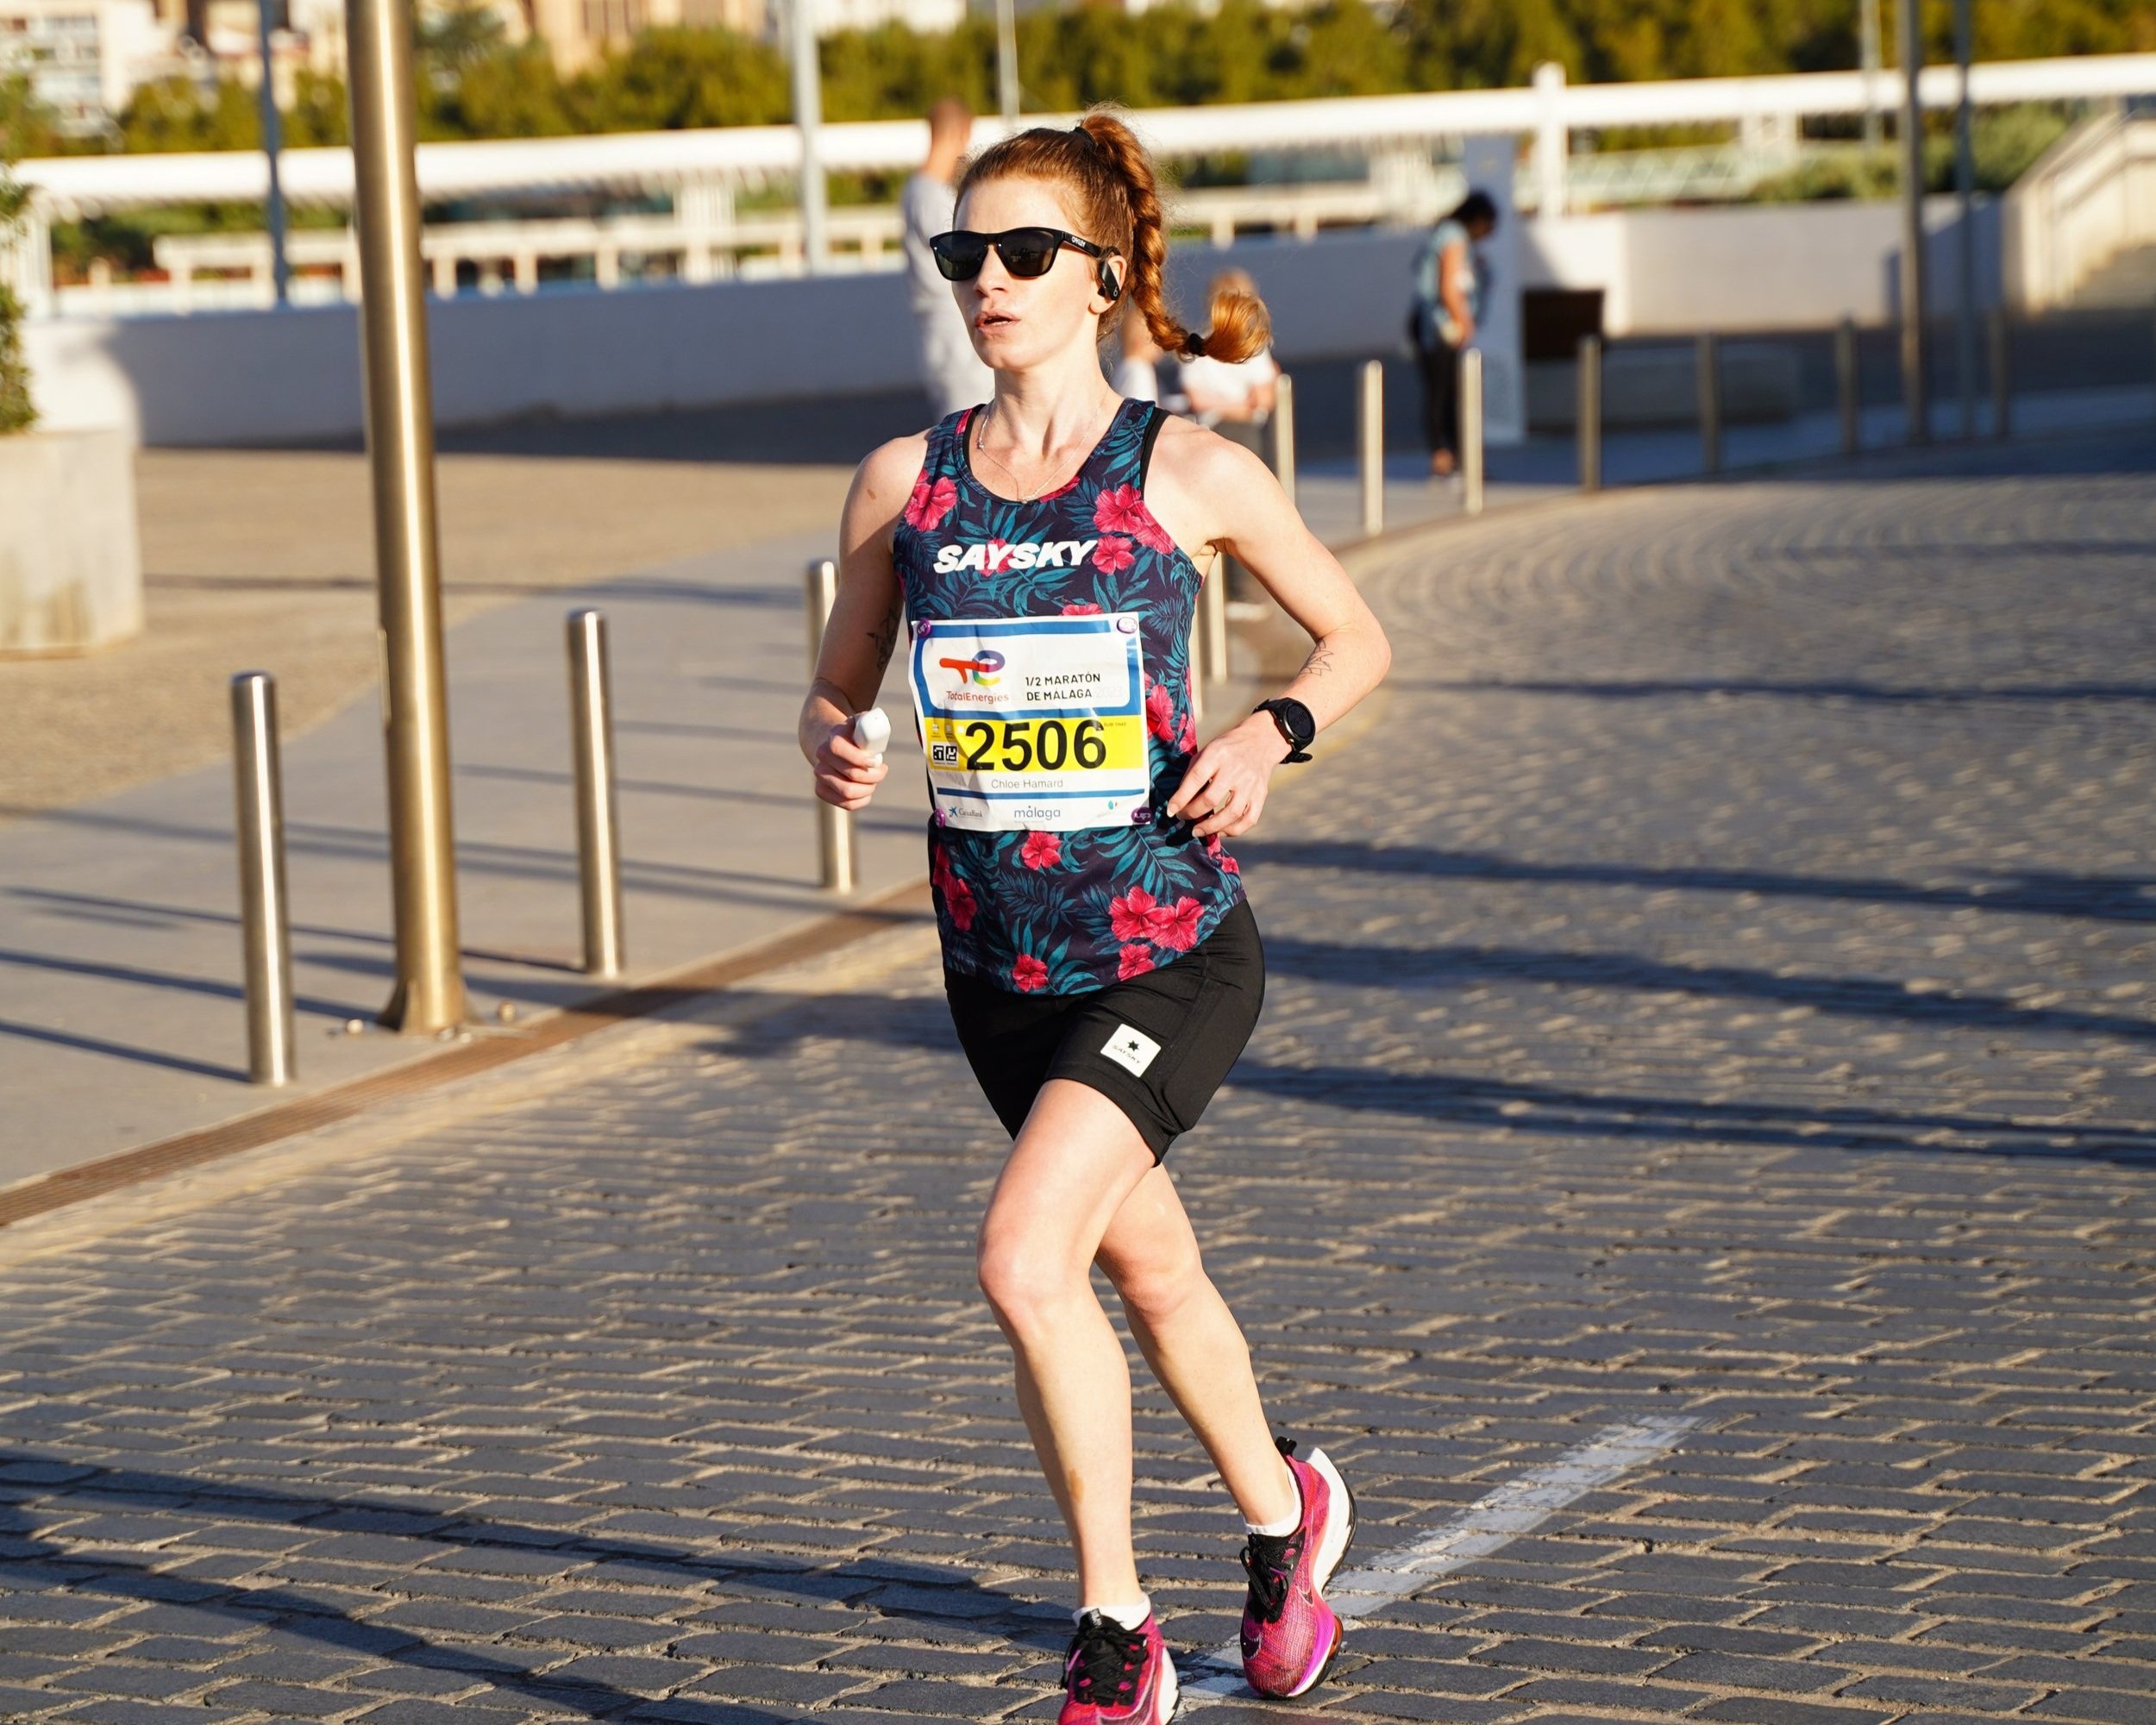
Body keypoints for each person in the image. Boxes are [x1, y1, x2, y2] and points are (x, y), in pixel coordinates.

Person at [798, 108, 1390, 1725]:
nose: (987, 279)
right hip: (997, 965)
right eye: (963, 253)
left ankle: (1117, 1632)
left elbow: (1353, 641)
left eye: (1023, 252)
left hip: (1172, 945)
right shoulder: (902, 484)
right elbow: (841, 687)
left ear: (1102, 273)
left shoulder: (1185, 472)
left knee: (1021, 1257)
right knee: (1151, 1274)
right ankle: (1287, 1518)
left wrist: (1271, 732)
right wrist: (834, 739)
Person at [902, 98, 997, 417]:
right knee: (969, 431)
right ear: (958, 134)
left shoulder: (914, 190)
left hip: (936, 330)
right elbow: (966, 253)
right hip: (955, 333)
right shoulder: (933, 197)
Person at [1409, 189, 1498, 479]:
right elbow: (1449, 286)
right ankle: (1447, 455)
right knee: (1445, 394)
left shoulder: (1446, 232)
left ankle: (1447, 454)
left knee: (1442, 393)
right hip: (1440, 326)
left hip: (1430, 324)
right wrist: (1465, 321)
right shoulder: (1454, 237)